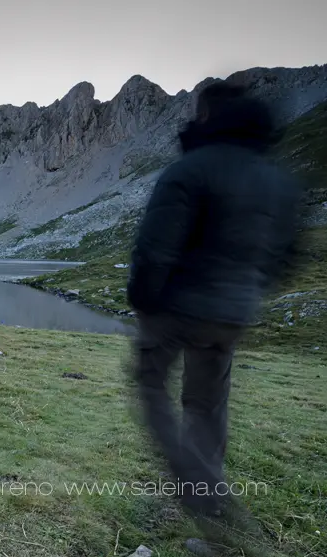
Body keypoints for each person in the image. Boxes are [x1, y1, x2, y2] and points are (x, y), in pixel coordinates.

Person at [126, 82, 303, 555]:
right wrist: (245, 292)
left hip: (178, 309)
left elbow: (154, 249)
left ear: (207, 116)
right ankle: (214, 529)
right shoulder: (277, 179)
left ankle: (204, 496)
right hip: (232, 314)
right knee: (206, 406)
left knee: (149, 384)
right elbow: (288, 254)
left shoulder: (190, 169)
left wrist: (143, 300)